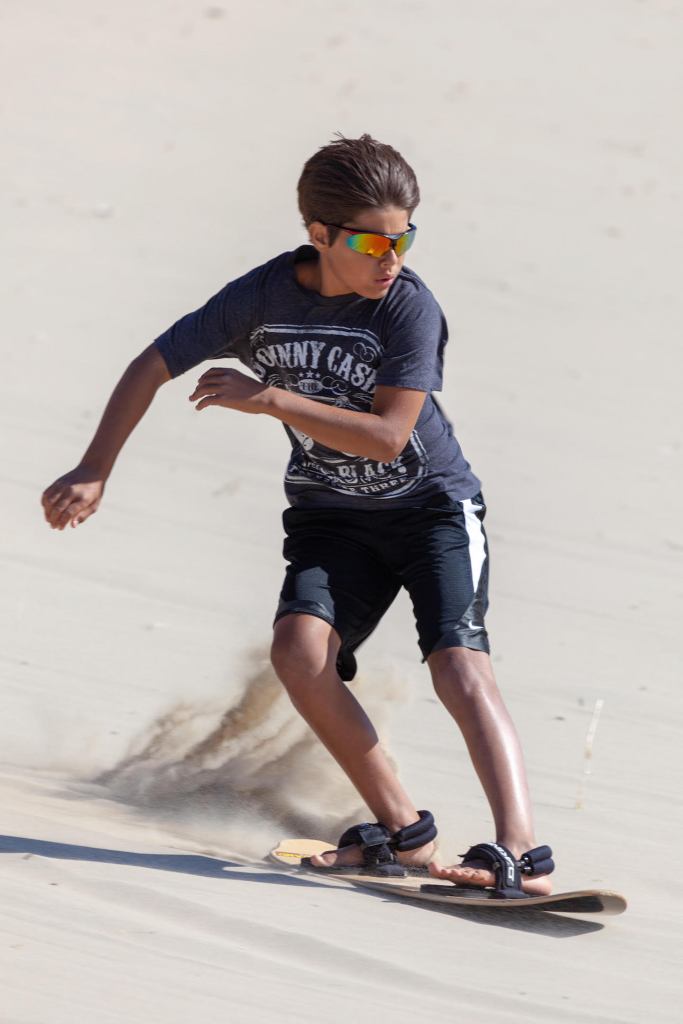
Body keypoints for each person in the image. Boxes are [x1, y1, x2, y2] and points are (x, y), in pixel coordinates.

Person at [41, 134, 553, 897]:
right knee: (298, 653)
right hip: (330, 517)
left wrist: (271, 397)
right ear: (319, 235)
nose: (393, 258)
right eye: (374, 241)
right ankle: (404, 830)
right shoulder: (262, 297)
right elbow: (151, 364)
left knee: (456, 661)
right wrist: (94, 468)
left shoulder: (408, 308)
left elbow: (387, 439)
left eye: (404, 237)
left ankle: (521, 851)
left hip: (432, 509)